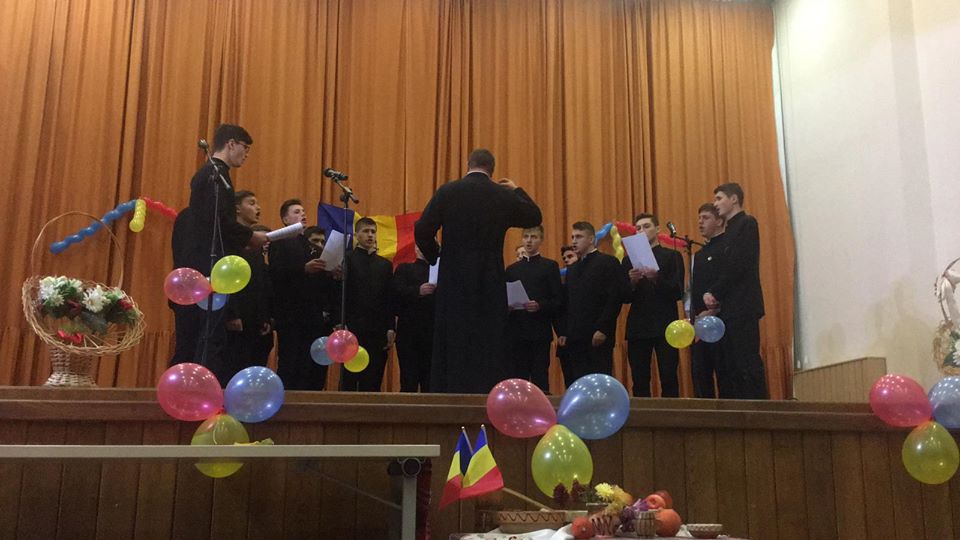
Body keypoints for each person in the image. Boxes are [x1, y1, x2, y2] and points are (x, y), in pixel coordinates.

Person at [414, 148, 542, 393]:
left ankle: (448, 393)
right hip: (489, 278)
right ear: (492, 169)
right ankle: (487, 392)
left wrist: (435, 256)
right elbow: (534, 216)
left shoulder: (448, 191)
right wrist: (516, 189)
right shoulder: (502, 195)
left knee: (453, 335)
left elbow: (422, 230)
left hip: (453, 276)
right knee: (488, 337)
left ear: (468, 164)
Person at [169, 124, 269, 369]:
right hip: (206, 271)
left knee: (204, 341)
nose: (246, 154)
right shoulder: (214, 175)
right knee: (204, 342)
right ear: (231, 144)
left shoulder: (218, 175)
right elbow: (219, 222)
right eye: (245, 148)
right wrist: (250, 237)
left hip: (205, 272)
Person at [705, 182, 767, 399]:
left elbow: (739, 263)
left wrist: (715, 291)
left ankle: (758, 409)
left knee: (746, 361)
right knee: (731, 365)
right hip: (728, 307)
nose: (715, 203)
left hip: (744, 304)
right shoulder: (728, 230)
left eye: (719, 198)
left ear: (734, 199)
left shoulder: (747, 223)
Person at [269, 199, 336, 390]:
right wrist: (303, 269)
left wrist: (331, 272)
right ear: (285, 219)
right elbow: (276, 274)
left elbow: (318, 278)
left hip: (311, 313)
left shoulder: (309, 245)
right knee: (290, 362)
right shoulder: (278, 242)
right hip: (290, 313)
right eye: (297, 212)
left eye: (303, 211)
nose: (303, 214)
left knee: (308, 365)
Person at [556, 222, 629, 386]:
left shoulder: (608, 262)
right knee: (578, 384)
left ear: (591, 239)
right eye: (573, 237)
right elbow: (568, 303)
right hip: (575, 338)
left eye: (579, 237)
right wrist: (564, 331)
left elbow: (614, 298)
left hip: (597, 336)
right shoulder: (572, 269)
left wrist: (603, 328)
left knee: (599, 383)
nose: (574, 241)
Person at [213, 191, 274, 384]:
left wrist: (264, 317)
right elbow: (224, 278)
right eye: (252, 203)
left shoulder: (255, 244)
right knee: (232, 369)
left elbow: (260, 283)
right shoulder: (228, 241)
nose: (258, 208)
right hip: (237, 318)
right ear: (237, 208)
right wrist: (231, 314)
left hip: (255, 321)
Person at [622, 213, 684, 397]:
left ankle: (671, 415)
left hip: (665, 324)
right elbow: (624, 297)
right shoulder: (628, 260)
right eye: (638, 228)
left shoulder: (672, 256)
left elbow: (678, 292)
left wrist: (657, 278)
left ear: (657, 229)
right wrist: (632, 282)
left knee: (669, 377)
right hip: (638, 325)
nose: (641, 231)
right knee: (639, 379)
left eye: (646, 226)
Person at [340, 217, 396, 392]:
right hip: (352, 329)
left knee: (373, 380)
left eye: (373, 232)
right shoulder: (347, 260)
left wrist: (390, 327)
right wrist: (340, 323)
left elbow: (389, 299)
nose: (370, 235)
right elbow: (340, 294)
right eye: (365, 231)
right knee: (349, 380)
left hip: (377, 330)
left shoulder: (385, 265)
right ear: (356, 234)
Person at [504, 226, 563, 392]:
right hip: (516, 331)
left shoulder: (549, 266)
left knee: (540, 376)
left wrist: (540, 305)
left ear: (541, 240)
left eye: (534, 237)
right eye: (526, 237)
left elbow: (558, 300)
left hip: (539, 331)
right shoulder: (512, 270)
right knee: (517, 378)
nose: (529, 241)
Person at [690, 203, 726, 398]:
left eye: (705, 218)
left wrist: (713, 310)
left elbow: (728, 281)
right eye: (699, 218)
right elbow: (696, 289)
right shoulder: (699, 254)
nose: (700, 222)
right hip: (700, 322)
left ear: (719, 221)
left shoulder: (727, 247)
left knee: (725, 372)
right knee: (700, 373)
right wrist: (695, 316)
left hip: (722, 320)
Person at [393, 246, 436, 392]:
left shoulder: (440, 272)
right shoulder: (404, 269)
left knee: (430, 383)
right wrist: (417, 290)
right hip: (409, 334)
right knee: (408, 380)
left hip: (433, 335)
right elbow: (395, 296)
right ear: (416, 249)